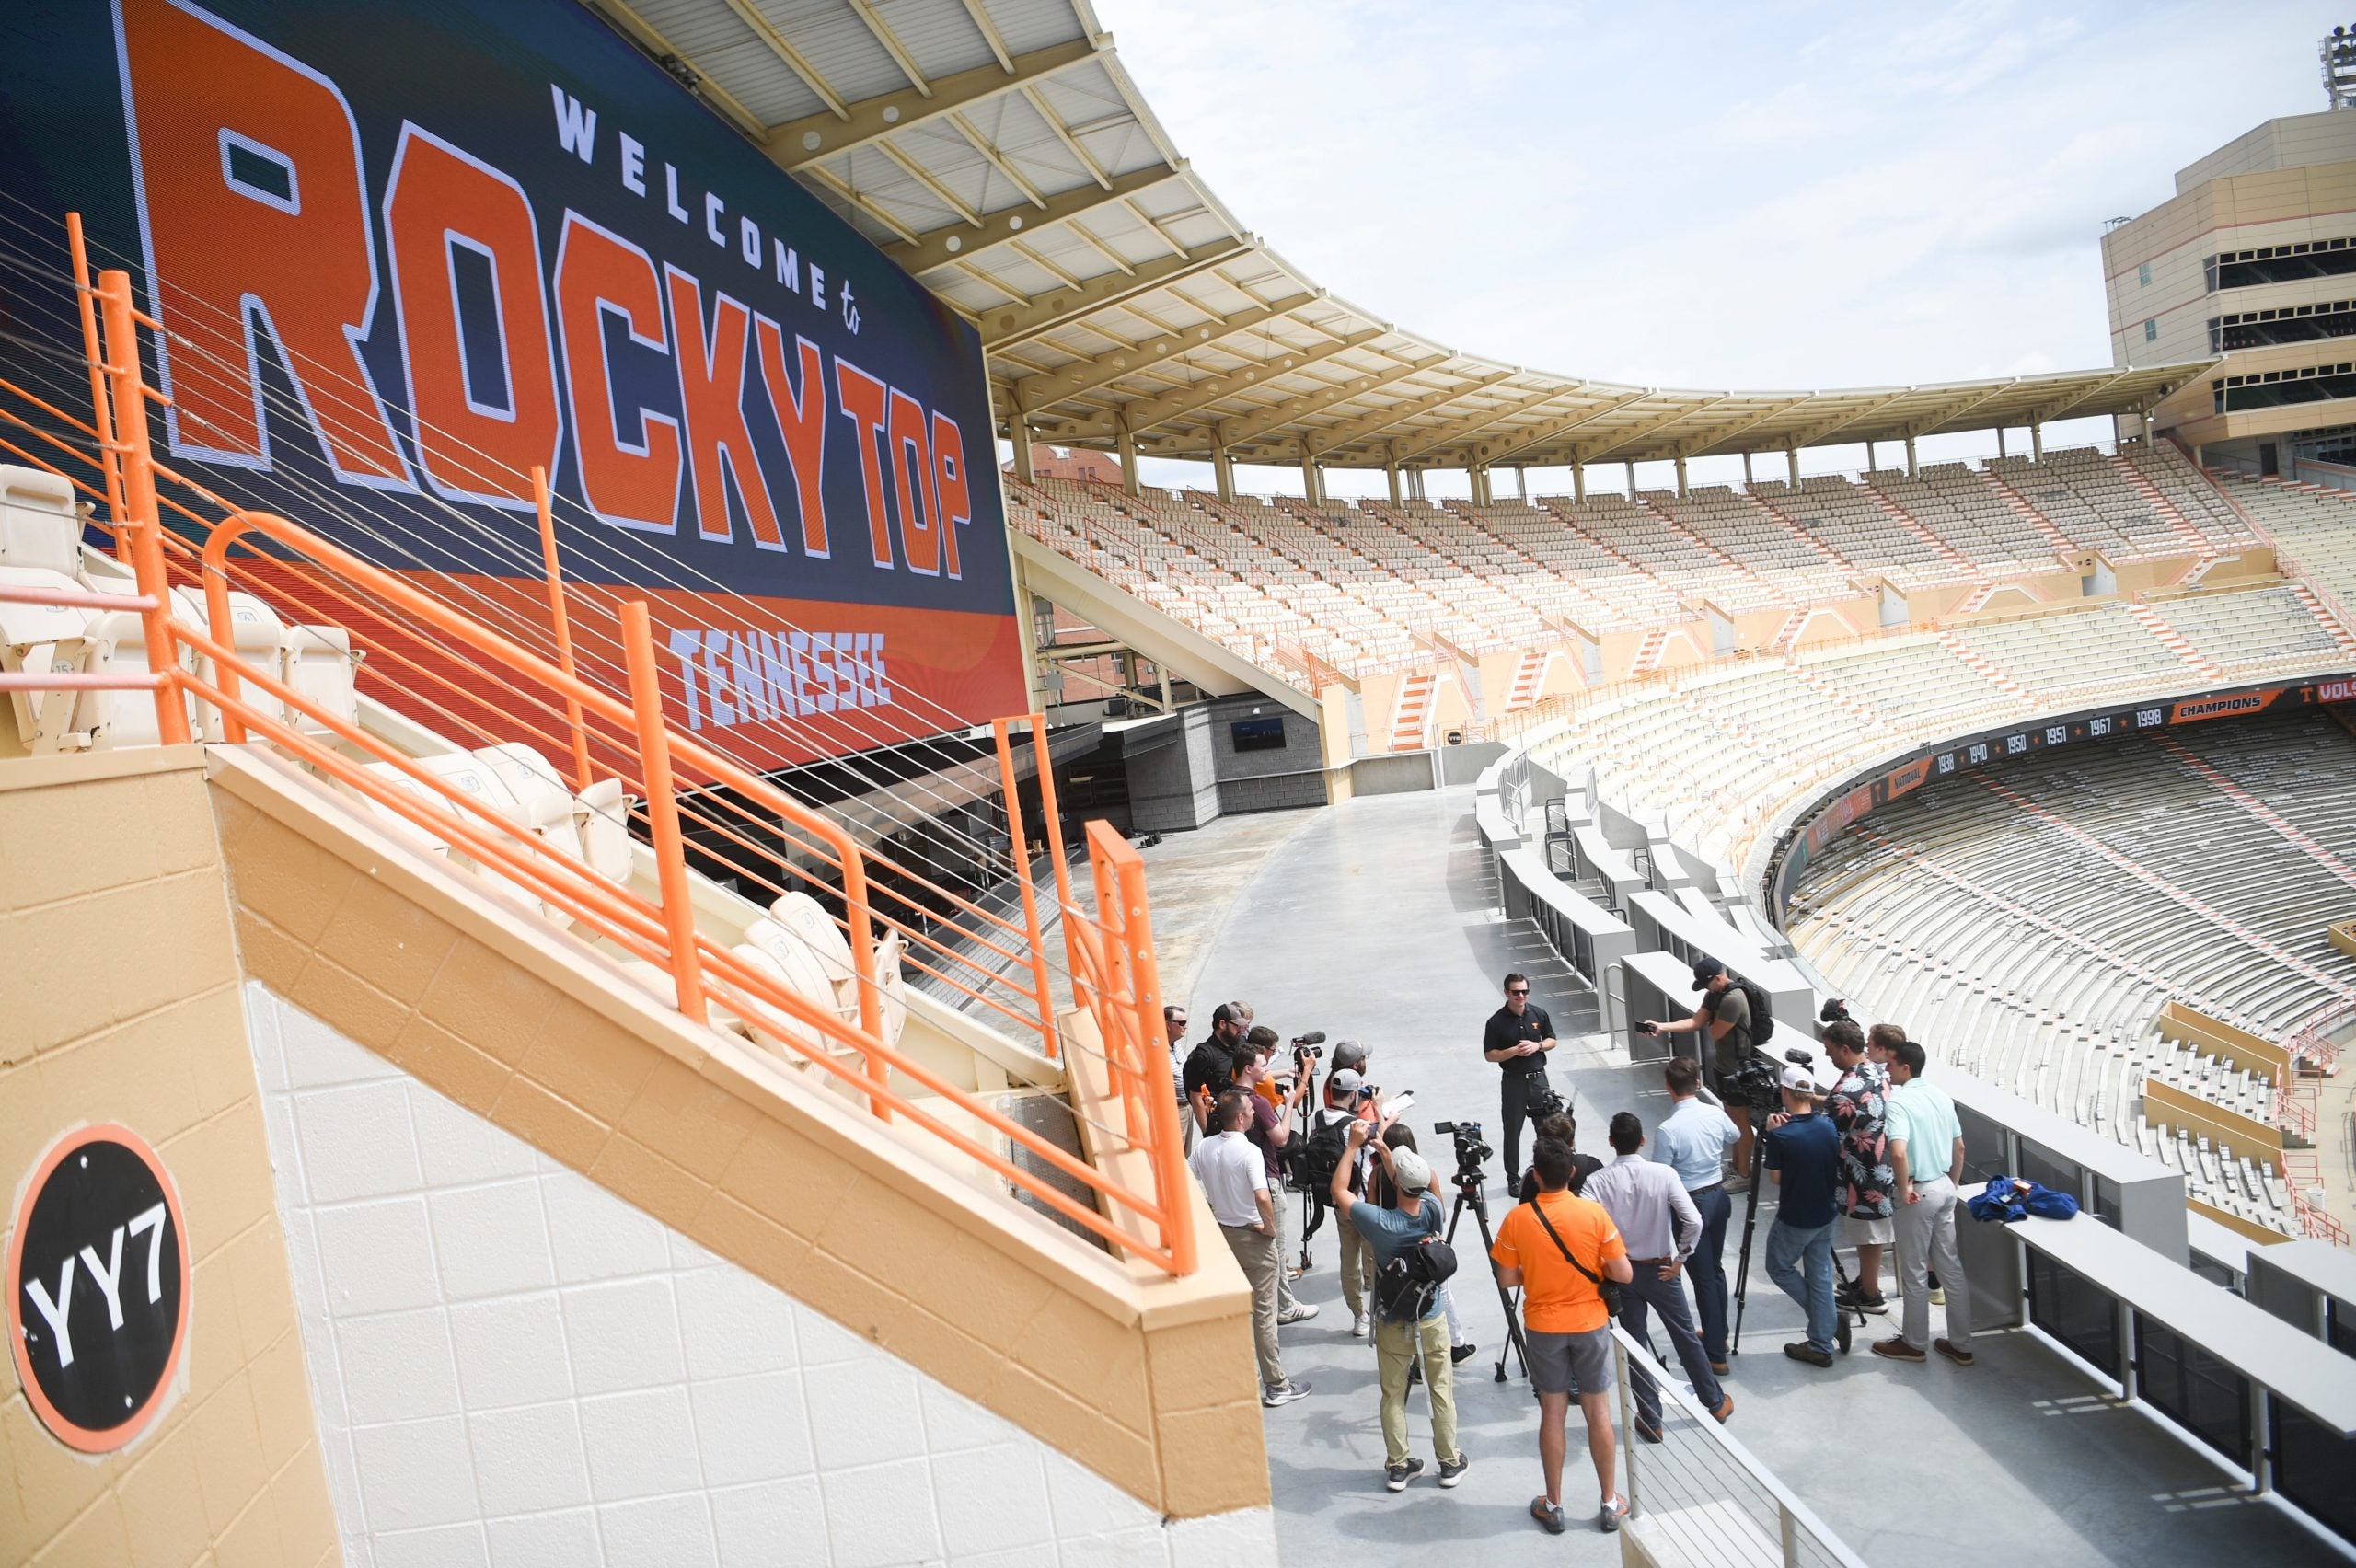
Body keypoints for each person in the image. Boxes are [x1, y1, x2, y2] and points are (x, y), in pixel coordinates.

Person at [1490, 1136, 1634, 1535]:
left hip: (1543, 1326)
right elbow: (1623, 1273)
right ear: (1572, 1172)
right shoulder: (1594, 1214)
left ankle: (1553, 1504)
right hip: (1590, 1324)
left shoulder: (1518, 1219)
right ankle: (1609, 1501)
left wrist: (1535, 1274)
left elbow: (1505, 1278)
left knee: (1552, 1414)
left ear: (1535, 1176)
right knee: (1598, 1412)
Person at [1329, 1118, 1469, 1493]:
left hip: (1393, 1319)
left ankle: (1398, 1464)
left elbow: (1339, 1189)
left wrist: (1355, 1146)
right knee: (1441, 1390)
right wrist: (1390, 1155)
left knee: (1393, 1394)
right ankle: (1450, 1461)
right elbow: (1409, 1185)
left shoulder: (1379, 1223)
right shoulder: (1434, 1210)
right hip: (1431, 1315)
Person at [1583, 1112, 1734, 1438]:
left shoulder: (1596, 1182)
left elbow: (1584, 1225)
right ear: (1642, 1140)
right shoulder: (1663, 1174)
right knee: (1684, 1335)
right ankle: (1714, 1401)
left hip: (1621, 1272)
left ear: (1611, 1142)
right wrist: (1681, 1259)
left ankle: (1651, 1418)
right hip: (1662, 1268)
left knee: (1635, 1343)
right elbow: (1693, 1220)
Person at [1189, 1090, 1309, 1406]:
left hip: (1223, 1236)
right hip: (1252, 1236)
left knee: (1239, 1310)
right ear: (1240, 1118)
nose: (1255, 1115)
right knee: (1265, 1313)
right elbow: (1262, 1196)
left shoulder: (1204, 1147)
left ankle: (1243, 1372)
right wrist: (1269, 1228)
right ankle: (1277, 1385)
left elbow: (1187, 1181)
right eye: (1250, 1112)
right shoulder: (1250, 1152)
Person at [1875, 1041, 1975, 1366]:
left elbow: (1899, 1151)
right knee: (1951, 1269)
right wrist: (1953, 1184)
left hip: (1918, 1192)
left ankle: (1914, 1344)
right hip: (1944, 1186)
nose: (1886, 1071)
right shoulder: (1941, 1095)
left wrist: (1904, 1189)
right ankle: (1961, 1345)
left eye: (1890, 1064)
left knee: (1915, 1271)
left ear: (1905, 1067)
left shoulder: (1899, 1103)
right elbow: (1959, 1147)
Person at [1650, 1055, 1741, 1374]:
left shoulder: (1668, 1129)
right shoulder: (1714, 1113)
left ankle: (1716, 1354)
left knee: (1702, 1278)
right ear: (1699, 1083)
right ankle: (1719, 1333)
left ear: (1668, 1088)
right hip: (1718, 1195)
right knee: (1714, 1270)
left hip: (1691, 1205)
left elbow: (1661, 1174)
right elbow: (1735, 1137)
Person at [1762, 1066, 1846, 1367]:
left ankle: (1828, 1325)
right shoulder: (1827, 1126)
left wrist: (1772, 1135)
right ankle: (1822, 1339)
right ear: (1810, 1094)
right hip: (1826, 1212)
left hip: (1795, 1217)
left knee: (1778, 1267)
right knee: (1820, 1274)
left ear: (1784, 1092)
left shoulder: (1781, 1135)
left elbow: (1775, 1179)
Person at [1647, 958, 1756, 1185]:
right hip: (1724, 1067)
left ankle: (1744, 1174)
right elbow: (1697, 1022)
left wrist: (1711, 1021)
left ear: (1718, 977)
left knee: (1740, 1122)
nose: (1706, 989)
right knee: (1731, 1116)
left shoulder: (1732, 999)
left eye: (1707, 984)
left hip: (1738, 1070)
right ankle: (1736, 1166)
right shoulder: (1715, 995)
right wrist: (1662, 1027)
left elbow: (1714, 1033)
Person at [1234, 1037, 1317, 1322]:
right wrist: (1290, 1105)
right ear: (1249, 1069)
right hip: (1266, 1178)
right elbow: (1281, 1140)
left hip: (1240, 1179)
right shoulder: (1258, 1102)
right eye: (1262, 1066)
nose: (1266, 1069)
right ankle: (1285, 1305)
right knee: (1276, 1245)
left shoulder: (1230, 1098)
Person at [1822, 1020, 1892, 1315]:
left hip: (1859, 1174)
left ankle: (1871, 1294)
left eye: (1830, 1050)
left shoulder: (1844, 1091)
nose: (1828, 1056)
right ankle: (1866, 1281)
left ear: (1845, 1049)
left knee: (1867, 1234)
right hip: (1883, 1164)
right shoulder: (1877, 1071)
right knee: (1871, 1232)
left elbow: (1828, 1135)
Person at [1317, 1065, 1379, 1334]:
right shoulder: (1356, 1126)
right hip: (1363, 1200)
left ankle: (1358, 1314)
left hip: (1339, 1198)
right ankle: (1378, 1305)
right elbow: (1380, 1139)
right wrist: (1380, 1107)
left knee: (1348, 1257)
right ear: (1354, 1094)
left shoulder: (1320, 1117)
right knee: (1375, 1254)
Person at [1483, 972, 1558, 1177]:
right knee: (1512, 1130)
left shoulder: (1539, 1014)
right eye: (1516, 992)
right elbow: (1490, 1055)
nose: (1521, 996)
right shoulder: (1496, 1022)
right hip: (1513, 1082)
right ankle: (1513, 1176)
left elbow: (1552, 1040)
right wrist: (1513, 1051)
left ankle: (1547, 1172)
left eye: (1524, 992)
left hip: (1538, 1080)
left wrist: (1538, 1046)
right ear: (1506, 992)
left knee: (1547, 1130)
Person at [1182, 1002, 1248, 1132]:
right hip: (1221, 1125)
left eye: (1242, 1026)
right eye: (1236, 1026)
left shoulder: (1241, 1044)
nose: (1241, 1030)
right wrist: (1207, 1131)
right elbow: (1195, 1096)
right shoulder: (1204, 1056)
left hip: (1244, 1118)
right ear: (1222, 1024)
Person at [1165, 1004, 1193, 1149]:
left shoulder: (1176, 1045)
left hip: (1187, 1107)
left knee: (1185, 1153)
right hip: (1175, 1111)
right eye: (1181, 1023)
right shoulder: (1159, 1051)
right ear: (1168, 1025)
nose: (1185, 1027)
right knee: (1176, 1153)